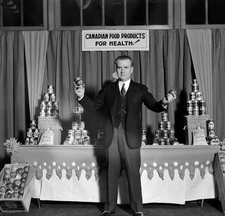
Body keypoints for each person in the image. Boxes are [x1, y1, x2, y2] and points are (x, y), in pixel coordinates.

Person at [75, 55, 176, 216]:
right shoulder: (108, 89)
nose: (122, 70)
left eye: (126, 67)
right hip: (112, 135)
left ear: (132, 69)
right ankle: (109, 208)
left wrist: (164, 101)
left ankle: (138, 210)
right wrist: (81, 96)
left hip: (131, 136)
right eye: (119, 67)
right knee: (111, 173)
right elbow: (94, 106)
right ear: (116, 69)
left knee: (133, 173)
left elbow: (153, 105)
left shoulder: (140, 89)